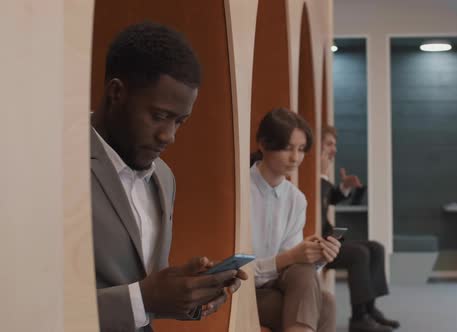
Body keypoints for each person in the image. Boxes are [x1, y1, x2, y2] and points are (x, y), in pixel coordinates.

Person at [91, 22, 247, 331]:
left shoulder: (164, 177)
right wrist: (144, 300)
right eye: (160, 116)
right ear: (116, 93)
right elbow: (32, 303)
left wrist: (189, 294)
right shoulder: (57, 163)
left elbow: (147, 289)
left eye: (180, 121)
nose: (168, 135)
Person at [250, 108, 341, 332]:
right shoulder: (240, 190)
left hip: (276, 286)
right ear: (263, 144)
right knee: (324, 305)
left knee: (308, 276)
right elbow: (237, 268)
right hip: (243, 290)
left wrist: (316, 257)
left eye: (301, 150)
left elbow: (296, 270)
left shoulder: (296, 199)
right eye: (288, 148)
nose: (295, 158)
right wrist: (290, 257)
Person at [321, 126, 400, 332]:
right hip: (320, 244)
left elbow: (329, 197)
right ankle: (358, 320)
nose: (333, 151)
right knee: (359, 253)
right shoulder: (311, 175)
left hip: (330, 238)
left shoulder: (321, 177)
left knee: (376, 247)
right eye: (329, 144)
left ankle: (369, 309)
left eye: (334, 145)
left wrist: (344, 187)